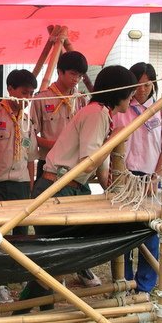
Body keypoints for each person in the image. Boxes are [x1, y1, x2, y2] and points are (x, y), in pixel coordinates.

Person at [6, 65, 137, 323]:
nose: (132, 99)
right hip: (58, 187)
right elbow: (90, 158)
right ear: (121, 92)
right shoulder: (96, 114)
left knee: (55, 262)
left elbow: (94, 163)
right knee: (51, 264)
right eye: (130, 93)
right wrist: (113, 182)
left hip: (69, 185)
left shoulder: (98, 113)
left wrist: (109, 188)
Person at [30, 50, 102, 288]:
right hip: (50, 166)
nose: (76, 79)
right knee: (51, 224)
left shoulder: (81, 99)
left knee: (79, 221)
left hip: (78, 168)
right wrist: (62, 145)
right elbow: (31, 137)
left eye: (81, 75)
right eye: (72, 73)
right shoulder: (41, 98)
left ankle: (82, 267)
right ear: (60, 71)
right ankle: (49, 272)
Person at [0, 69, 39, 304]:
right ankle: (1, 283)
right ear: (10, 89)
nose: (27, 98)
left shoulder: (27, 120)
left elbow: (31, 156)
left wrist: (31, 186)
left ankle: (21, 274)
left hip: (21, 185)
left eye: (31, 94)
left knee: (22, 235)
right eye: (24, 92)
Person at [112, 62, 162, 297]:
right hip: (126, 178)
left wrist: (156, 176)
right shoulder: (123, 109)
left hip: (151, 178)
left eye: (147, 84)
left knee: (150, 232)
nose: (141, 90)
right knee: (123, 231)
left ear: (153, 84)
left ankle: (145, 285)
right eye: (137, 85)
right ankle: (124, 281)